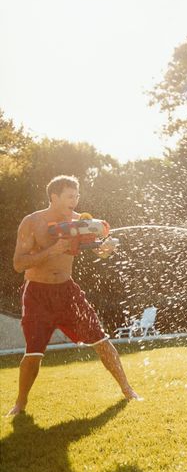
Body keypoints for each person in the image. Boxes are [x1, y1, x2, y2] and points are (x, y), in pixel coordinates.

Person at [7, 175, 140, 417]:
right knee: (34, 352)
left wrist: (106, 250)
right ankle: (20, 404)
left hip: (67, 291)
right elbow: (18, 263)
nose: (75, 201)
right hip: (37, 293)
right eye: (70, 196)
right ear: (54, 197)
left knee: (101, 339)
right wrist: (53, 250)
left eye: (77, 196)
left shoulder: (81, 223)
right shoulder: (33, 222)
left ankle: (128, 390)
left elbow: (98, 249)